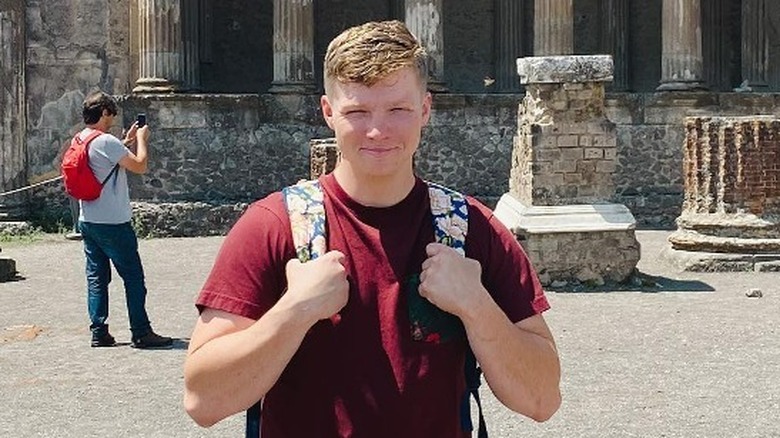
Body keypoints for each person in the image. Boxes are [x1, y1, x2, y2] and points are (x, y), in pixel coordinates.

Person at [183, 20, 560, 436]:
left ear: (426, 109)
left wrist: (477, 306)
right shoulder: (273, 227)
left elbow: (542, 399)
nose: (378, 131)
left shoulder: (472, 229)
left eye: (398, 109)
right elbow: (203, 401)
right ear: (328, 112)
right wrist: (294, 312)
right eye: (357, 112)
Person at [77, 91, 172, 350]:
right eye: (112, 115)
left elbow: (103, 162)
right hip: (114, 222)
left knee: (96, 277)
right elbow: (140, 166)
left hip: (88, 219)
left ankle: (99, 331)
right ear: (104, 112)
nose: (113, 120)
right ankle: (141, 331)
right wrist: (141, 140)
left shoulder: (82, 138)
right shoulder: (107, 142)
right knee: (132, 276)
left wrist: (125, 142)